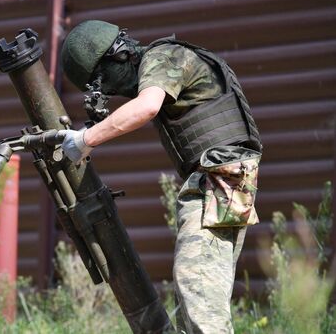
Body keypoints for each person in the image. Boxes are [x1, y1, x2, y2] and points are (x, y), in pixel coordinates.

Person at [59, 20, 262, 333]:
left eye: (104, 82)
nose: (111, 93)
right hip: (219, 175)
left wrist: (85, 140)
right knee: (193, 294)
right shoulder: (163, 61)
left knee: (199, 287)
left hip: (220, 176)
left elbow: (147, 107)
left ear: (120, 55)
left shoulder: (164, 56)